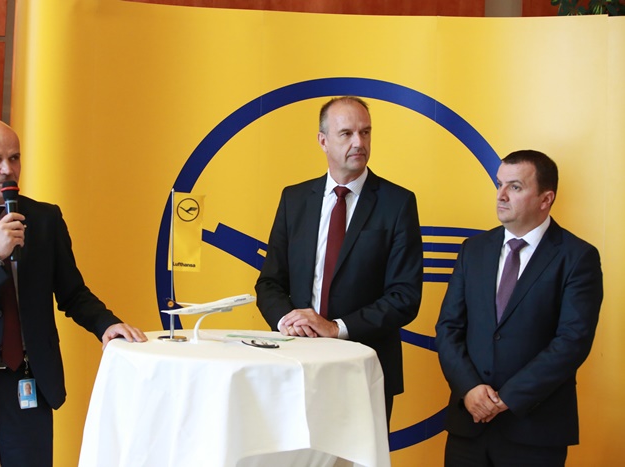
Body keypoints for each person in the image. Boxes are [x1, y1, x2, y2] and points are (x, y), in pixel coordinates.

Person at [0, 118, 148, 467]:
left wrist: (106, 324)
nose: (7, 169)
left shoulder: (44, 218)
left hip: (28, 379)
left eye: (14, 158)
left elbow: (72, 292)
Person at [255, 96, 423, 421]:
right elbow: (270, 282)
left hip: (365, 368)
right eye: (346, 133)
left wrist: (336, 328)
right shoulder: (294, 199)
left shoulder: (398, 203)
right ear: (323, 141)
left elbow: (405, 296)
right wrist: (287, 322)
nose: (359, 142)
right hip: (296, 364)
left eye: (365, 132)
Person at [435, 150, 603, 466]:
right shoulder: (473, 250)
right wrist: (470, 389)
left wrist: (506, 399)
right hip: (469, 426)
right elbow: (448, 328)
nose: (501, 196)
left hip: (535, 431)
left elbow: (572, 342)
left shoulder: (577, 257)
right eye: (499, 184)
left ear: (545, 199)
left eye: (515, 187)